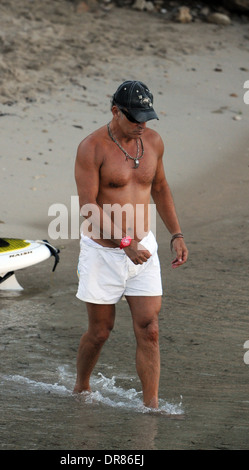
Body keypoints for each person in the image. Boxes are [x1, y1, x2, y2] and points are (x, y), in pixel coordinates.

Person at [73, 80, 188, 408]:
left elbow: (161, 188)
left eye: (146, 118)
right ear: (115, 111)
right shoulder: (91, 147)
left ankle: (150, 407)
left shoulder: (152, 142)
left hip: (143, 248)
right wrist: (124, 243)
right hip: (104, 252)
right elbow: (87, 207)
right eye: (135, 118)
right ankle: (81, 387)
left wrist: (176, 234)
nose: (142, 125)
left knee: (149, 327)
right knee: (100, 331)